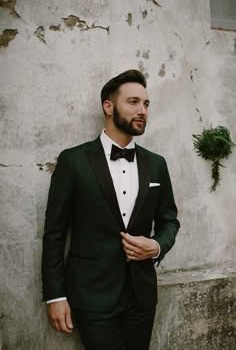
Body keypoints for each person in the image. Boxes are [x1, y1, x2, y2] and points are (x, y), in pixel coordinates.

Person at [42, 69, 180, 350]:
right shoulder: (74, 161)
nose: (142, 110)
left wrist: (155, 246)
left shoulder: (157, 164)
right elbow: (55, 233)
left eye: (146, 104)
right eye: (133, 102)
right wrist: (55, 296)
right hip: (92, 296)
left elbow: (169, 221)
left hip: (141, 297)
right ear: (108, 106)